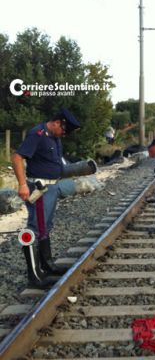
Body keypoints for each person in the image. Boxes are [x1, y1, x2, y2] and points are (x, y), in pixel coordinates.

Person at [11, 108, 81, 288]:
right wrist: (22, 184)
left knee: (45, 227)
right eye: (64, 131)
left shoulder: (54, 137)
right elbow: (18, 157)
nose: (64, 135)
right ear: (57, 123)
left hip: (52, 187)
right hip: (40, 188)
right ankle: (34, 277)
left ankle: (47, 266)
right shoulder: (38, 134)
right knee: (34, 229)